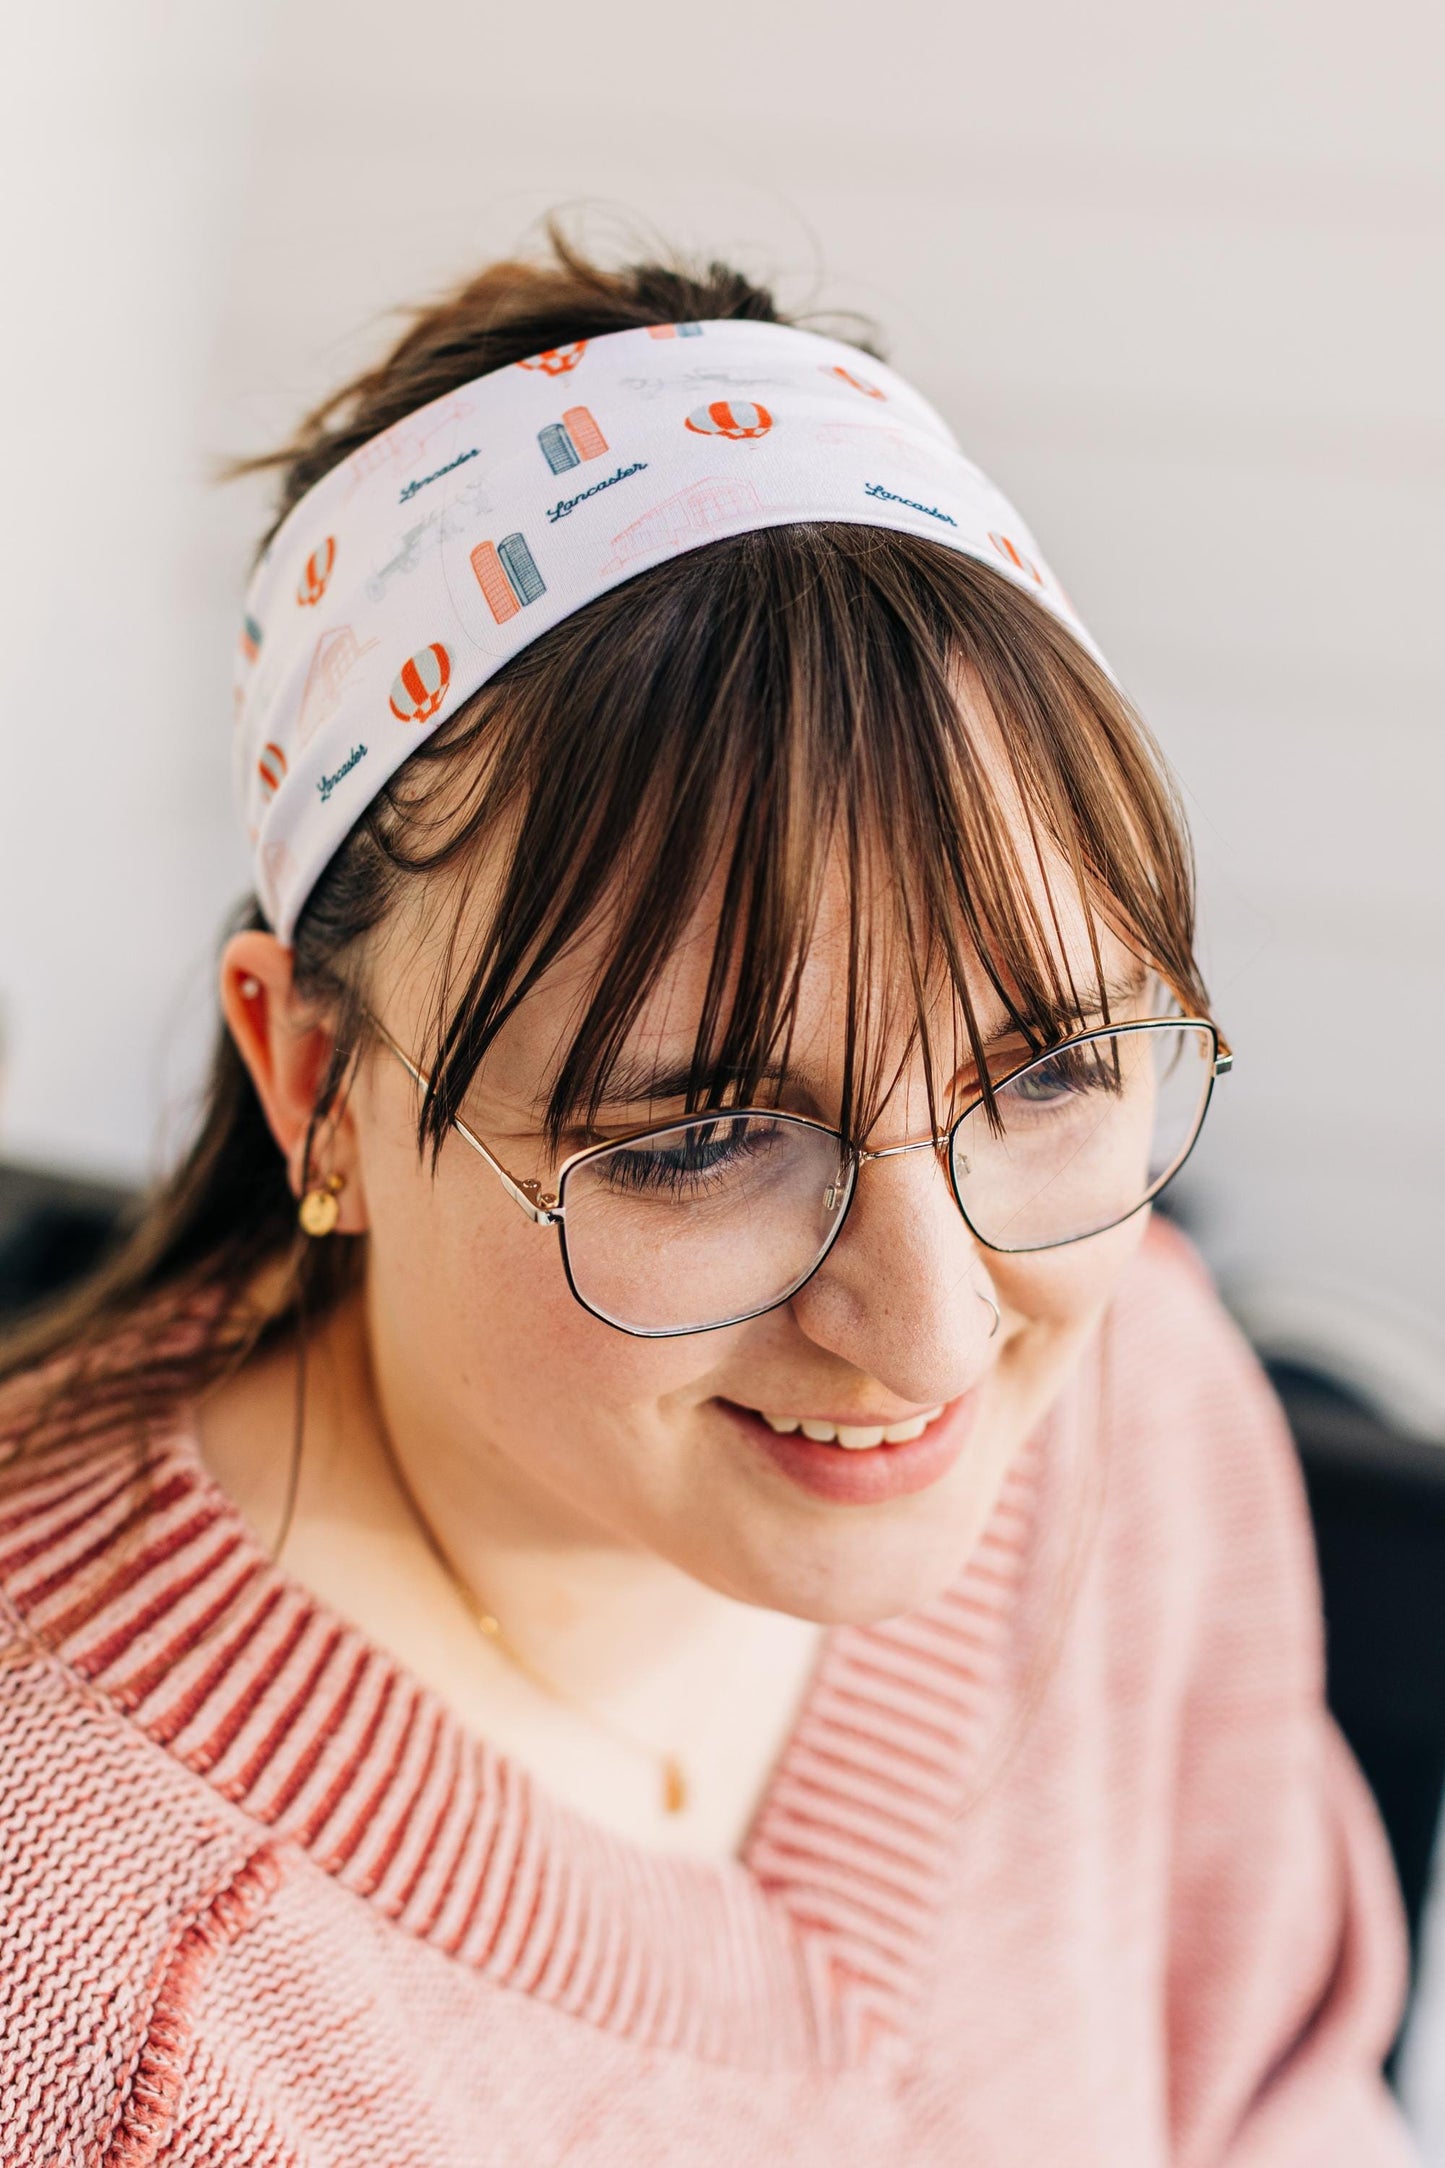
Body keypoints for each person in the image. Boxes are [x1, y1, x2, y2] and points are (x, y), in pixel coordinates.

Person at [0, 230, 1419, 2164]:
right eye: (695, 1140)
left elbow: (1281, 2097)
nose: (936, 1334)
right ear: (313, 1078)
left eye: (1053, 1072)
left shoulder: (1130, 1398)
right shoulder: (110, 2003)